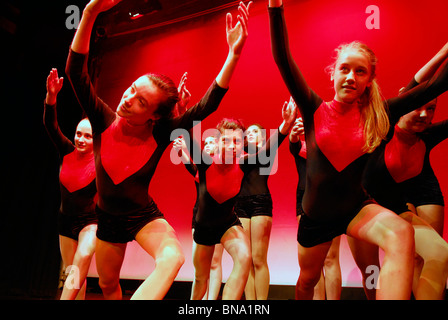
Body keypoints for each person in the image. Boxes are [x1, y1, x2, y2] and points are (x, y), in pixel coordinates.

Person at [65, 0, 251, 300]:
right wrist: (89, 12)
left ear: (153, 115)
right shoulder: (102, 120)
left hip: (142, 215)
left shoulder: (161, 131)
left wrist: (233, 54)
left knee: (173, 258)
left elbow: (207, 106)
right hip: (107, 217)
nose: (128, 99)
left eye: (140, 101)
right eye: (131, 90)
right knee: (107, 285)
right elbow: (76, 73)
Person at [268, 0, 448, 299]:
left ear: (369, 81)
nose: (351, 76)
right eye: (344, 69)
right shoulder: (314, 108)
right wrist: (275, 7)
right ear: (333, 75)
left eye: (360, 72)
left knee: (402, 234)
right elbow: (283, 59)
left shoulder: (382, 114)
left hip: (355, 209)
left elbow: (435, 86)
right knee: (307, 282)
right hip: (316, 217)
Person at [357, 45, 448, 300]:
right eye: (419, 106)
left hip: (397, 209)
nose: (423, 114)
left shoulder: (427, 135)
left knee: (439, 253)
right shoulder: (383, 123)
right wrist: (443, 53)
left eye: (431, 109)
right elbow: (419, 85)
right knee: (371, 270)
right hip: (360, 207)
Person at [188, 98, 297, 300]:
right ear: (218, 141)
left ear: (243, 143)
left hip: (228, 224)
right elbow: (186, 134)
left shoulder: (243, 162)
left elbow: (267, 151)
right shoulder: (205, 161)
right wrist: (182, 109)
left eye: (237, 141)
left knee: (245, 257)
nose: (232, 146)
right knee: (201, 278)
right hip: (204, 226)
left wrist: (285, 126)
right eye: (226, 141)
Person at [43, 68, 97, 300]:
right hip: (65, 221)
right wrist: (51, 96)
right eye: (79, 134)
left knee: (82, 258)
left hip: (90, 222)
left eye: (88, 136)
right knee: (74, 274)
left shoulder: (102, 161)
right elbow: (51, 125)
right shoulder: (67, 151)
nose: (81, 139)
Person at [234, 98, 293, 300]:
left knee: (259, 258)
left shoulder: (266, 150)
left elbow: (274, 142)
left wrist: (285, 123)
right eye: (247, 132)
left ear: (262, 137)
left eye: (254, 132)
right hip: (240, 205)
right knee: (246, 259)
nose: (249, 134)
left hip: (260, 203)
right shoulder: (237, 153)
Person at [289, 116, 342, 300]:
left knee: (331, 258)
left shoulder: (330, 142)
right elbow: (293, 143)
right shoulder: (300, 145)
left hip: (332, 198)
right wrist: (294, 133)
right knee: (313, 263)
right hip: (305, 200)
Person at [172, 135, 225, 300]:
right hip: (200, 216)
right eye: (206, 143)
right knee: (200, 264)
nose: (208, 145)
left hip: (221, 216)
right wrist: (181, 151)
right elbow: (190, 165)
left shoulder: (225, 167)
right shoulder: (201, 168)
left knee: (215, 262)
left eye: (212, 142)